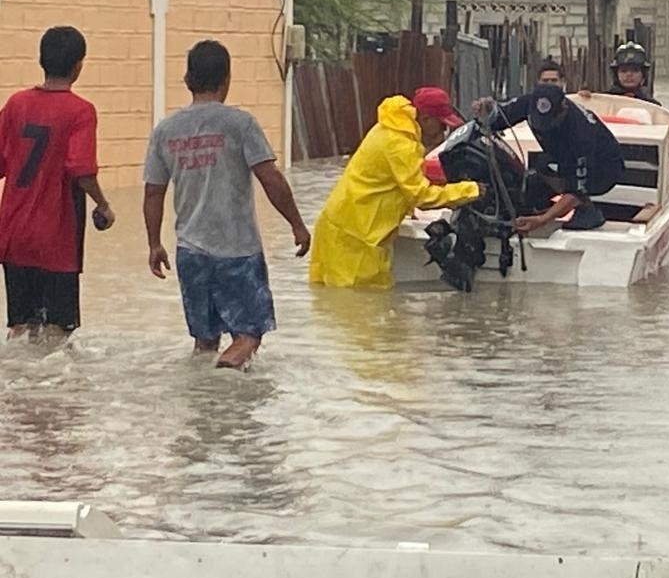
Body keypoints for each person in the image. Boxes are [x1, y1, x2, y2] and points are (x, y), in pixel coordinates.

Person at [144, 40, 311, 370]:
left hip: (190, 252)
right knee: (248, 335)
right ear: (226, 79)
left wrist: (153, 244)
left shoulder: (165, 131)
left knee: (205, 341)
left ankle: (206, 407)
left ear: (188, 78)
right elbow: (270, 178)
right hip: (237, 250)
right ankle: (227, 376)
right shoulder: (241, 124)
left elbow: (153, 192)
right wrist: (297, 224)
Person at [0, 26, 115, 342]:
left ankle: (13, 389)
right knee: (56, 334)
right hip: (57, 239)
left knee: (21, 328)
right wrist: (103, 205)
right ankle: (55, 392)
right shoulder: (81, 111)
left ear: (41, 60)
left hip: (13, 235)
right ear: (79, 66)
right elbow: (81, 168)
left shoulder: (16, 105)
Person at [310, 88, 483, 289]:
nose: (444, 132)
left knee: (346, 307)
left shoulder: (392, 128)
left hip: (345, 228)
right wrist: (470, 190)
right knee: (363, 308)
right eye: (442, 125)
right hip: (356, 239)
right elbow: (421, 196)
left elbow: (393, 183)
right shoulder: (401, 144)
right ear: (426, 119)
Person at [477, 84, 623, 233]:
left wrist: (543, 220)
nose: (542, 128)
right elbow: (500, 118)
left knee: (574, 187)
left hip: (604, 167)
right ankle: (544, 204)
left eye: (548, 123)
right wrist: (487, 111)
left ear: (563, 110)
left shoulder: (581, 134)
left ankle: (587, 210)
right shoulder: (529, 102)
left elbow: (577, 190)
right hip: (561, 154)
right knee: (537, 167)